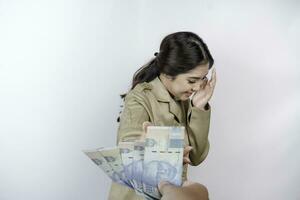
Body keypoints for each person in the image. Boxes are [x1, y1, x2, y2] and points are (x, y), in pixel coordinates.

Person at [108, 31, 217, 200]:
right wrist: (165, 151)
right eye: (192, 80)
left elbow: (196, 157)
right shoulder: (140, 97)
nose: (197, 88)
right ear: (168, 73)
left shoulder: (185, 100)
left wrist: (199, 108)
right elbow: (128, 152)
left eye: (202, 79)